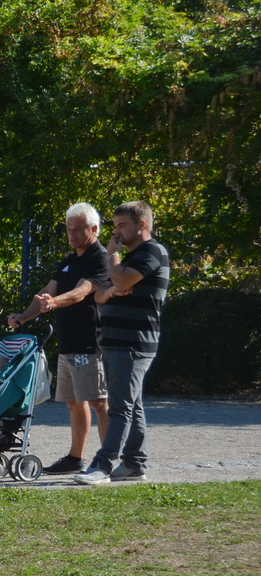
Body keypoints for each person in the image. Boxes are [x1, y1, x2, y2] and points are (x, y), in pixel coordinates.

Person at [7, 203, 113, 474]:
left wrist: (53, 302)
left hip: (92, 342)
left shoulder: (100, 258)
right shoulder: (67, 262)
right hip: (68, 342)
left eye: (78, 229)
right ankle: (75, 459)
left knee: (99, 401)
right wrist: (23, 316)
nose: (72, 234)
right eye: (69, 229)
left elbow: (82, 292)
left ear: (94, 229)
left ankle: (108, 460)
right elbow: (47, 292)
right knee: (74, 401)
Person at [78, 201, 169, 485]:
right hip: (116, 342)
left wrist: (114, 259)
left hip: (133, 343)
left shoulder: (151, 252)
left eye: (122, 226)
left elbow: (117, 279)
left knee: (119, 406)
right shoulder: (131, 257)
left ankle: (102, 465)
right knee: (133, 404)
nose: (116, 233)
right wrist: (116, 284)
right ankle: (134, 463)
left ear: (141, 224)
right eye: (115, 226)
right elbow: (100, 295)